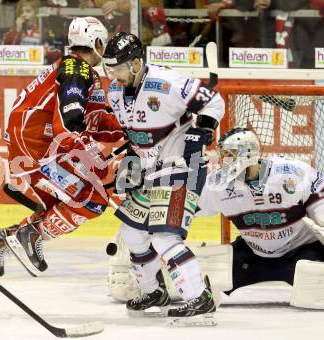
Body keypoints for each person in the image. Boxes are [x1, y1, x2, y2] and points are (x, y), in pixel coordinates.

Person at [108, 128, 324, 311]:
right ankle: (153, 284)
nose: (223, 160)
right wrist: (144, 221)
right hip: (252, 255)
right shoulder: (218, 184)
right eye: (223, 154)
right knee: (197, 278)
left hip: (300, 253)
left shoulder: (291, 172)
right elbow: (184, 206)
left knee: (320, 290)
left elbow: (321, 191)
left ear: (248, 154)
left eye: (229, 154)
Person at [0, 16, 124, 278]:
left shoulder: (82, 71)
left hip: (40, 144)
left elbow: (97, 118)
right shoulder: (76, 70)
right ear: (97, 42)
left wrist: (129, 128)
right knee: (94, 199)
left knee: (61, 205)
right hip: (37, 148)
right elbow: (69, 122)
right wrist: (88, 156)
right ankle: (32, 234)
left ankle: (4, 238)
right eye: (104, 42)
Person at [101, 32, 225, 325]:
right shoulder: (116, 93)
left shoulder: (168, 83)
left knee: (164, 237)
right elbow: (135, 136)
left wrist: (202, 131)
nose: (113, 75)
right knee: (132, 234)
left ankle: (199, 299)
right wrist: (131, 162)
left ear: (135, 63)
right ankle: (153, 292)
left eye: (117, 68)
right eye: (109, 69)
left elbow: (214, 102)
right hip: (149, 172)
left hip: (182, 165)